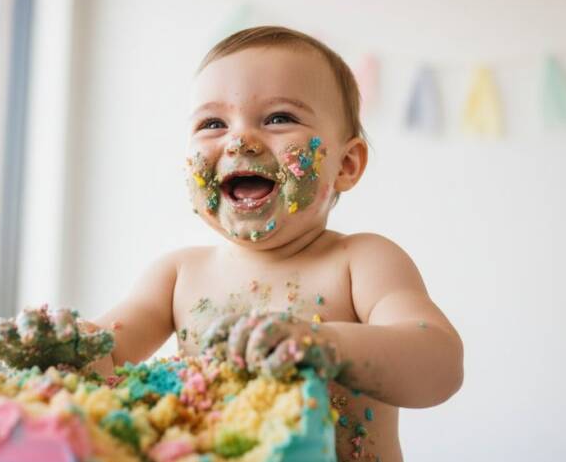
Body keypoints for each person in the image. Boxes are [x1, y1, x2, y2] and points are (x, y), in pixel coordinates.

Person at [90, 26, 464, 461]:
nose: (239, 139)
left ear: (346, 164)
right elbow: (101, 356)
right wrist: (62, 347)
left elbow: (440, 364)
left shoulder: (360, 262)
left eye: (279, 118)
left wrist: (323, 345)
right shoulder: (176, 276)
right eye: (213, 124)